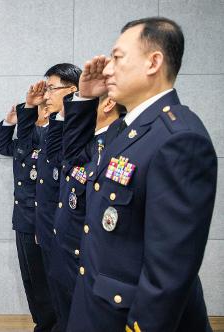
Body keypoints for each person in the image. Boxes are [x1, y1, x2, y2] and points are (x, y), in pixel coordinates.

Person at [65, 17, 217, 331]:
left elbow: (169, 272)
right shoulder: (127, 128)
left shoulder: (178, 139)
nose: (107, 69)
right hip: (96, 304)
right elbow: (76, 164)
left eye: (117, 58)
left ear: (153, 62)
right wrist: (84, 101)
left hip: (128, 317)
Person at [51, 93, 124, 330]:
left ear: (108, 103)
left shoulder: (116, 143)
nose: (75, 111)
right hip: (66, 250)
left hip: (85, 257)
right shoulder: (88, 142)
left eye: (84, 104)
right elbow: (61, 156)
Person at [21, 64, 82, 332]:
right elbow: (27, 150)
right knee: (52, 293)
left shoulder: (79, 128)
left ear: (72, 91)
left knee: (69, 298)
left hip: (68, 228)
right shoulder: (56, 124)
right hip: (48, 223)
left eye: (51, 88)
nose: (46, 95)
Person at [0, 84, 56, 331]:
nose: (40, 112)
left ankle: (49, 325)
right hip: (22, 217)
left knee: (44, 280)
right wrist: (10, 121)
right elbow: (4, 147)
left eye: (44, 107)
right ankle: (41, 323)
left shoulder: (52, 136)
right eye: (37, 109)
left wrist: (33, 114)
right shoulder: (27, 140)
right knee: (30, 279)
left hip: (41, 218)